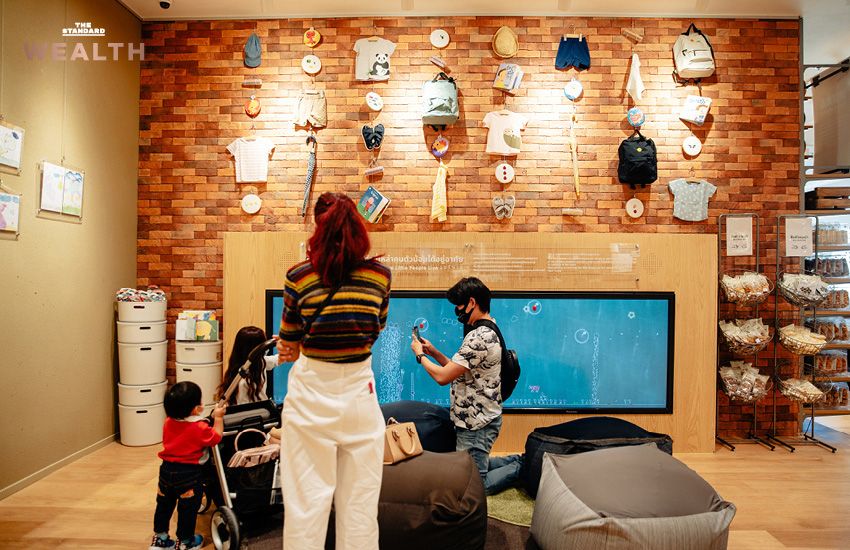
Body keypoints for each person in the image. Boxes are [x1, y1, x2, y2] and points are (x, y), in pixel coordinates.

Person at [276, 192, 392, 550]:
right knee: (360, 509)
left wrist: (297, 344)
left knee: (306, 506)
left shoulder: (298, 277)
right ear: (356, 225)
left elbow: (289, 343)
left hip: (310, 398)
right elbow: (376, 329)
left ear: (317, 227)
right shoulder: (380, 277)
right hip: (360, 398)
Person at [410, 276, 523, 495]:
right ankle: (517, 460)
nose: (458, 311)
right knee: (474, 466)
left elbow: (443, 377)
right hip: (479, 418)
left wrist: (419, 356)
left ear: (472, 302)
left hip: (477, 424)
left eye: (459, 306)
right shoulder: (487, 329)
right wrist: (433, 352)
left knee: (473, 486)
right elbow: (457, 370)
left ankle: (521, 467)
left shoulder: (479, 337)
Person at [150, 381, 226, 550]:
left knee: (163, 504)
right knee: (187, 509)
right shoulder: (200, 427)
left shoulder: (168, 422)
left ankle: (160, 539)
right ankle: (186, 542)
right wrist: (218, 418)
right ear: (195, 408)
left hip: (166, 470)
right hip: (188, 474)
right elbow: (216, 437)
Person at [217, 325, 279, 405]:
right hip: (255, 410)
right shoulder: (243, 381)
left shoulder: (260, 363)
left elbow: (277, 360)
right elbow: (244, 408)